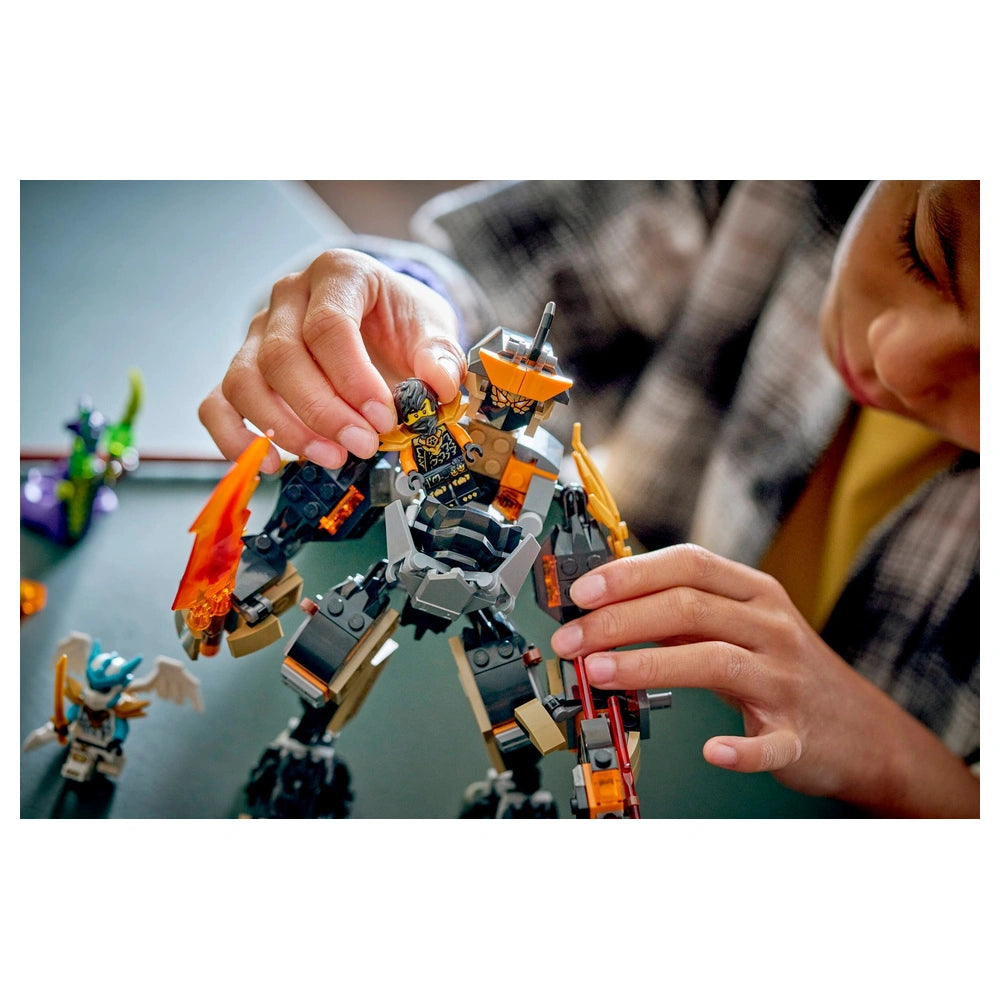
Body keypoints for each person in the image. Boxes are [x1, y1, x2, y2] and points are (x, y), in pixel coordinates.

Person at [199, 180, 979, 818]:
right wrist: (398, 315)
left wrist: (913, 772)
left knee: (512, 703)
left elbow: (575, 571)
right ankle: (304, 742)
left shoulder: (542, 473)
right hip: (407, 566)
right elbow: (473, 280)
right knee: (328, 652)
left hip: (490, 600)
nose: (896, 360)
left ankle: (518, 794)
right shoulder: (766, 189)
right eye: (924, 250)